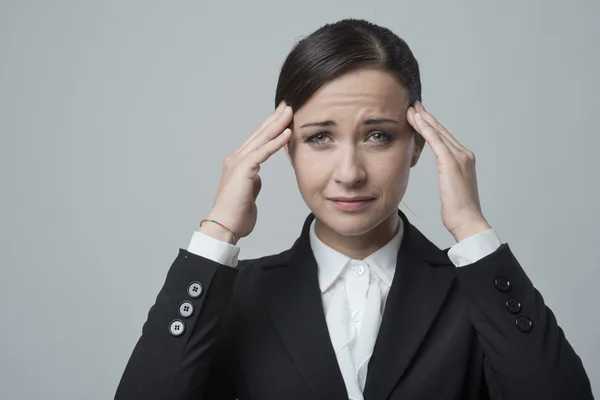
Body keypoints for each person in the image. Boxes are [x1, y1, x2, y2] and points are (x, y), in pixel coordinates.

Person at [114, 19, 594, 400]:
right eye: (319, 137)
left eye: (378, 136)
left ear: (419, 146)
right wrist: (217, 231)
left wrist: (471, 228)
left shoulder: (478, 291)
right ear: (286, 149)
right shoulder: (236, 296)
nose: (349, 172)